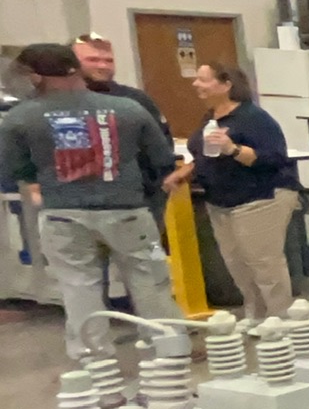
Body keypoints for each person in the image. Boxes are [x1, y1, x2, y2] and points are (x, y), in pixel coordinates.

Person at [0, 43, 178, 358]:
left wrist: (40, 181)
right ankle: (170, 350)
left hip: (63, 214)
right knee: (150, 283)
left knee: (79, 287)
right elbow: (162, 159)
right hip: (129, 211)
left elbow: (14, 168)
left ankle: (94, 363)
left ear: (35, 77)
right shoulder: (128, 109)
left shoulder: (21, 118)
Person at [160, 62, 300, 319]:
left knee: (263, 263)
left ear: (226, 85)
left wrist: (232, 149)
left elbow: (273, 158)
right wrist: (186, 171)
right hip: (221, 201)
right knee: (237, 264)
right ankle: (256, 314)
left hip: (260, 198)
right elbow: (204, 154)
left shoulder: (254, 118)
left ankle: (281, 318)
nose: (195, 84)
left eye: (204, 79)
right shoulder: (211, 118)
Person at [71, 35, 165, 130]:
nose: (103, 66)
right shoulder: (65, 99)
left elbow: (162, 136)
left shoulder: (136, 99)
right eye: (93, 60)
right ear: (72, 63)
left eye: (109, 61)